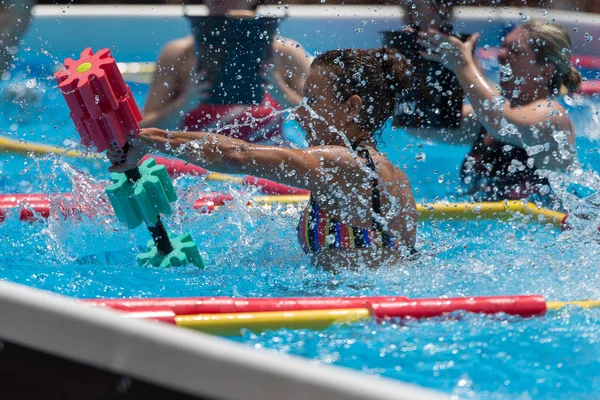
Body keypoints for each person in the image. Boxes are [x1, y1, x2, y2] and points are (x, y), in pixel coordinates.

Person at [108, 48, 418, 270]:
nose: (301, 111)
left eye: (312, 100)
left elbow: (236, 156)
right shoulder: (394, 177)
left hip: (347, 321)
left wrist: (151, 141)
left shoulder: (341, 163)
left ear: (352, 107)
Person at [401, 1, 580, 205]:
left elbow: (501, 123)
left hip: (543, 231)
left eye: (514, 50)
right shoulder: (485, 120)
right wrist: (419, 60)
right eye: (503, 47)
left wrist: (463, 64)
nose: (501, 55)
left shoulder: (554, 117)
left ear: (546, 71)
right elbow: (419, 126)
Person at [141, 0, 311, 144]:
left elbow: (324, 125)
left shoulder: (285, 54)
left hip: (264, 171)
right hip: (198, 172)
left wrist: (284, 95)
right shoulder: (178, 54)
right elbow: (143, 131)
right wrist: (183, 104)